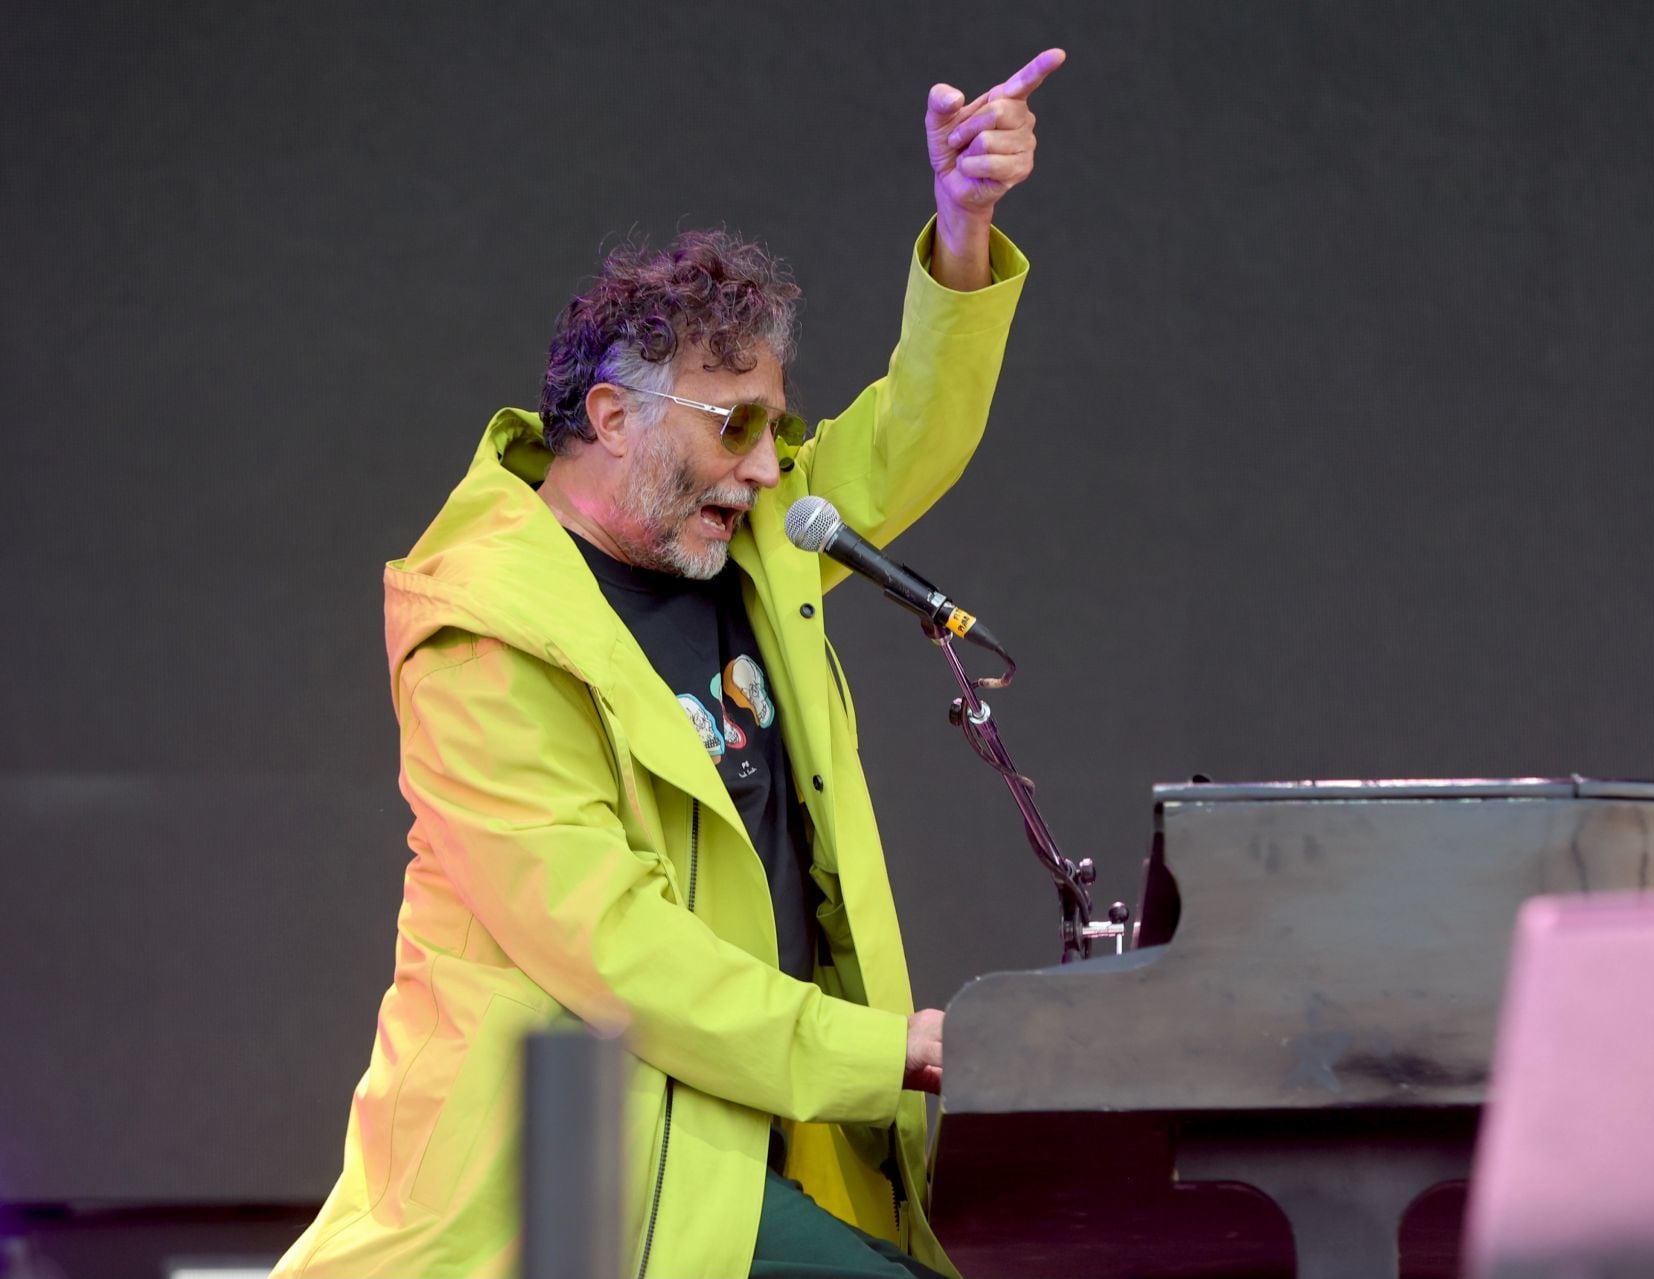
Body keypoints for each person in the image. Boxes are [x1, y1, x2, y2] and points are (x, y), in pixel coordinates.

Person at [273, 47, 1064, 1279]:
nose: (765, 466)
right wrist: (892, 1049)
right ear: (611, 418)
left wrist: (963, 225)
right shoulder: (482, 631)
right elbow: (619, 952)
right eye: (732, 425)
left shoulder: (749, 542)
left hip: (752, 1129)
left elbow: (914, 428)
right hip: (577, 1167)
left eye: (776, 426)